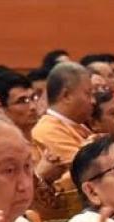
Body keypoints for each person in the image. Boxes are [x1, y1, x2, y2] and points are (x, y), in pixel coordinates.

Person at [30, 62, 94, 190]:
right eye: (88, 94)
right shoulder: (48, 129)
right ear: (66, 96)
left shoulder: (78, 125)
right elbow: (87, 169)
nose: (93, 101)